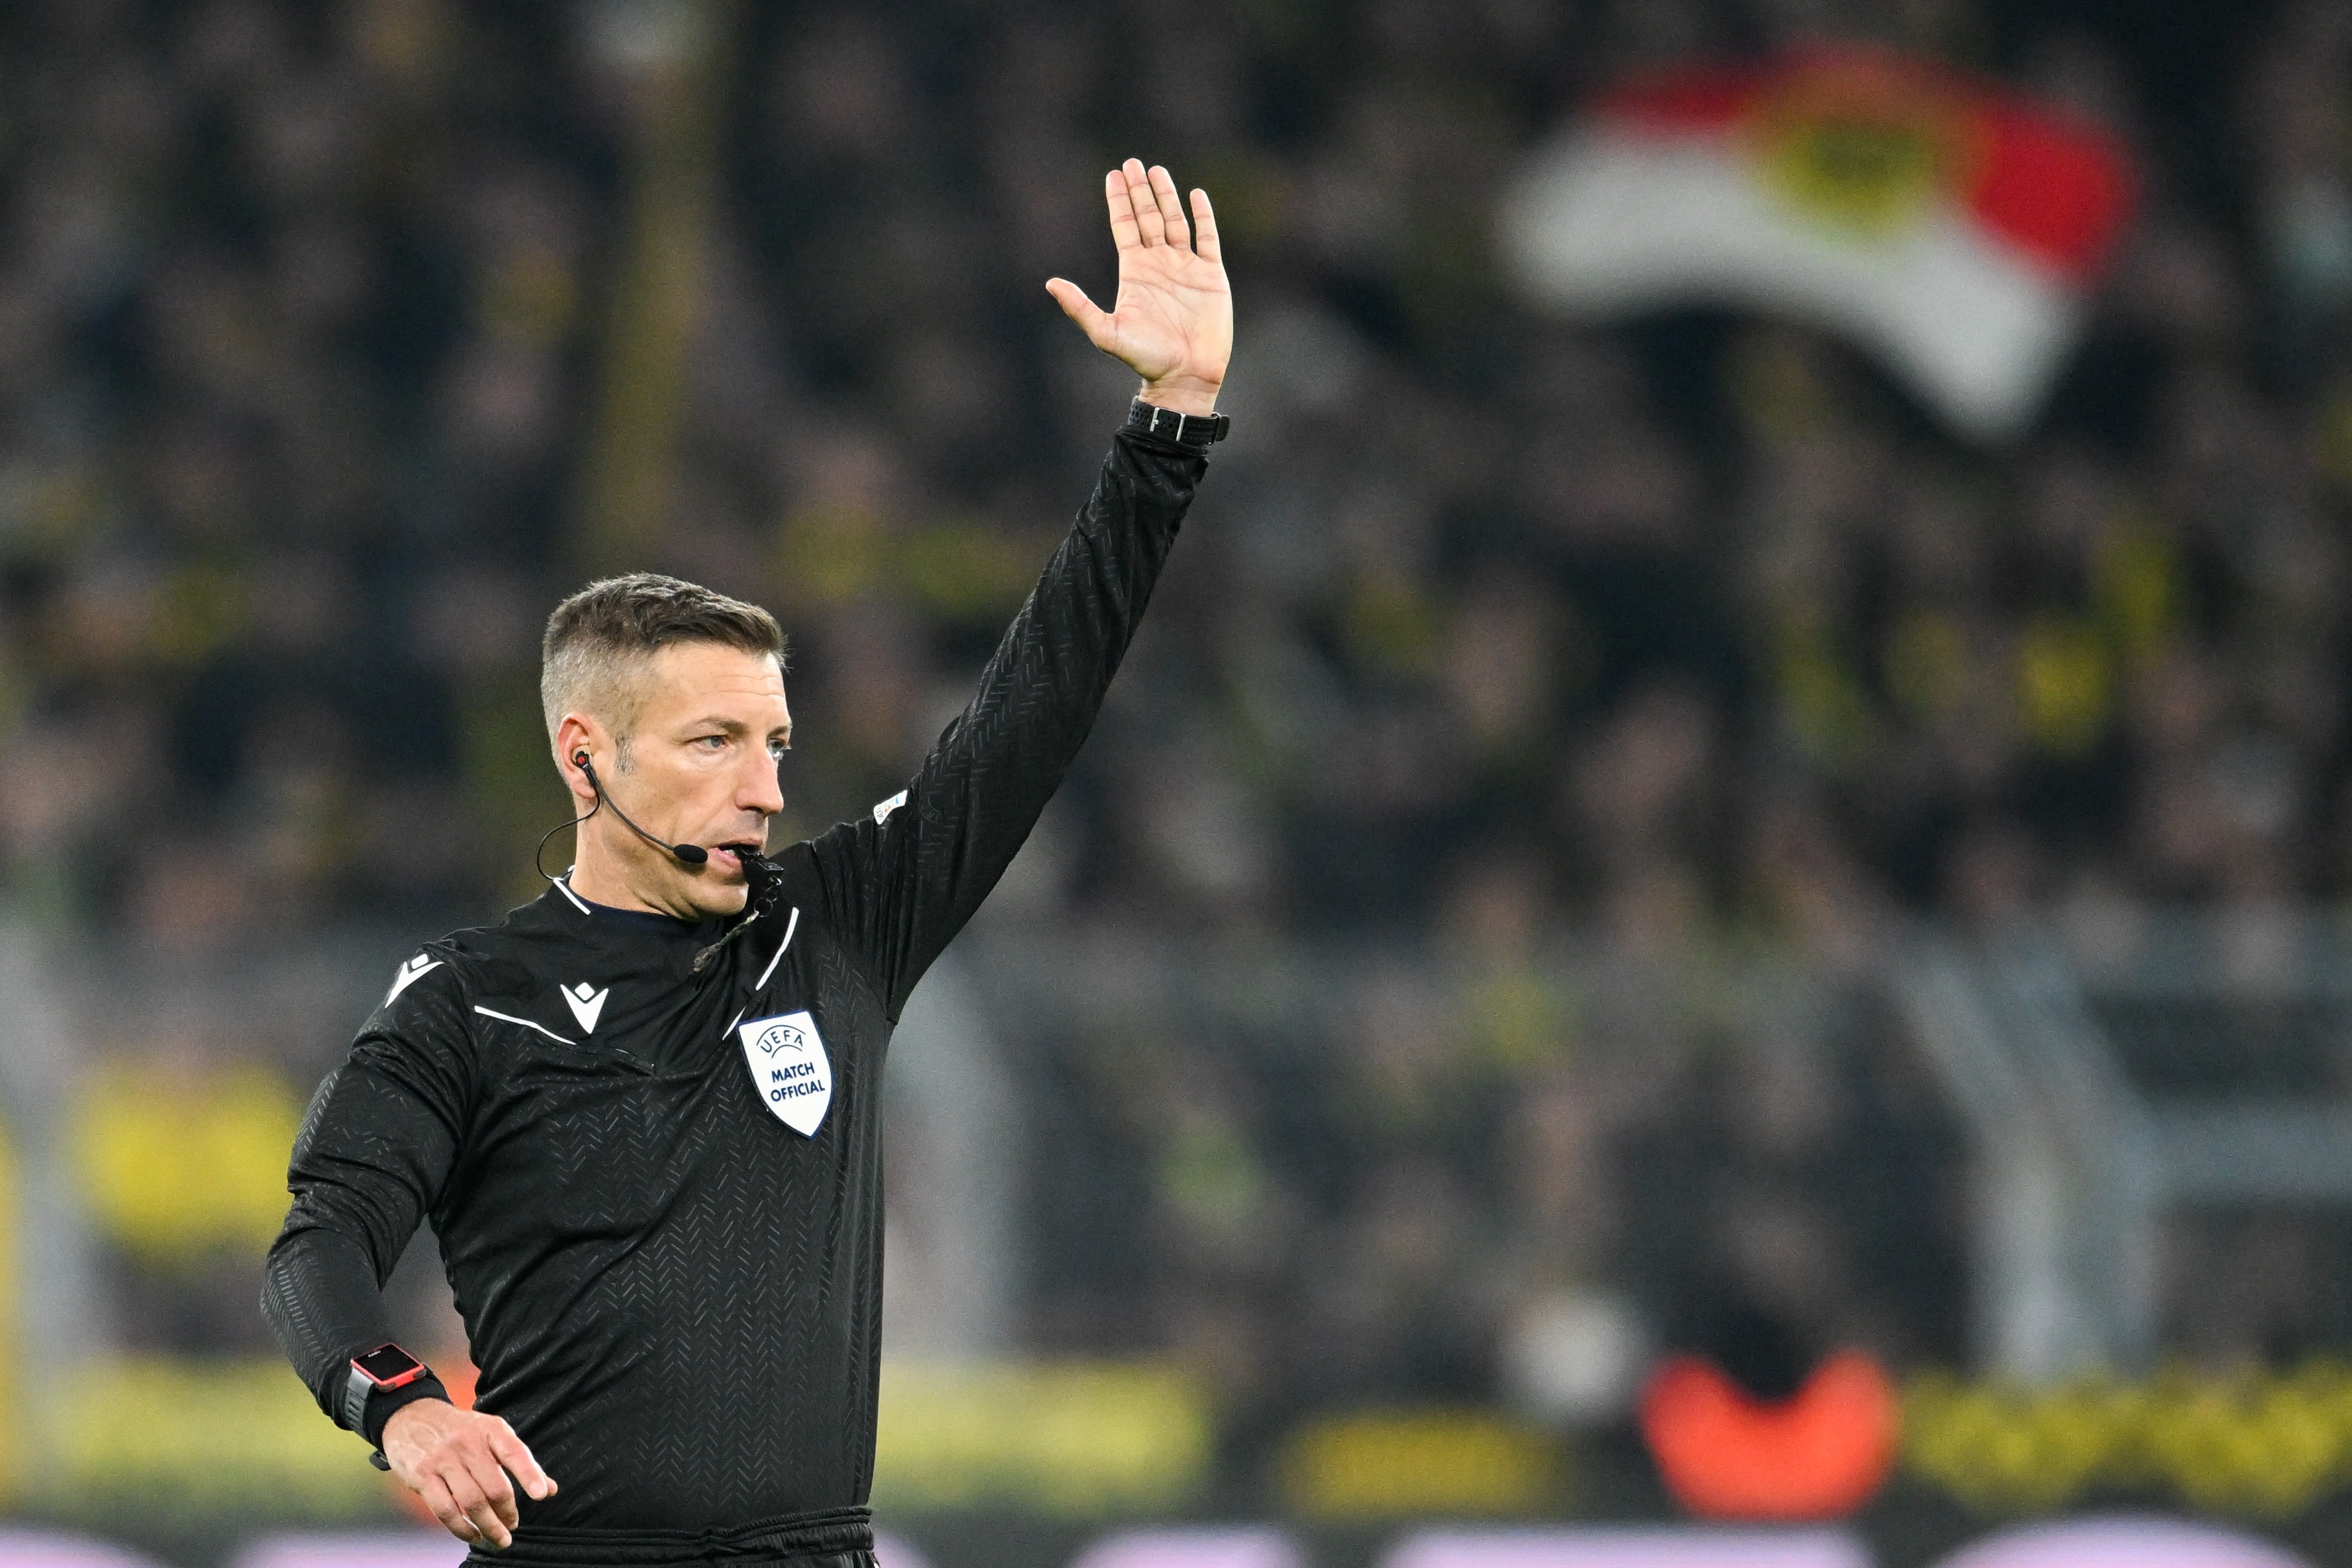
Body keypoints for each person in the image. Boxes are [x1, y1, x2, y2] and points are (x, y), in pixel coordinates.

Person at [262, 159, 1231, 1565]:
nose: (766, 786)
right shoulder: (467, 1001)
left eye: (774, 741)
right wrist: (402, 1409)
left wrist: (1169, 426)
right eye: (713, 741)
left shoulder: (835, 928)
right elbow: (321, 1235)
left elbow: (1034, 708)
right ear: (584, 756)